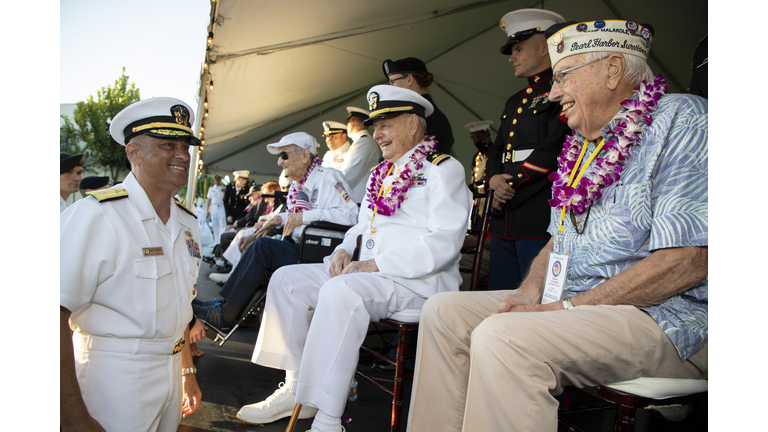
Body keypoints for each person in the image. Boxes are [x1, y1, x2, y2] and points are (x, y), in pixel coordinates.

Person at [406, 19, 708, 432]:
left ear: (613, 69)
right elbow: (559, 238)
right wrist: (531, 292)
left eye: (564, 75)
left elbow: (688, 261)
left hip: (664, 317)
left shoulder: (682, 116)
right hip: (579, 303)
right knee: (443, 312)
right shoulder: (584, 143)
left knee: (505, 337)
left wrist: (566, 309)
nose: (553, 93)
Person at [235, 85, 471, 432]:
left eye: (386, 124)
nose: (376, 133)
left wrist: (375, 264)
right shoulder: (381, 173)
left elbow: (444, 242)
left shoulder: (443, 169)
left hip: (417, 283)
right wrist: (344, 249)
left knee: (339, 292)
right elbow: (360, 226)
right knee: (286, 279)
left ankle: (329, 419)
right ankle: (297, 387)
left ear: (412, 123)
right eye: (375, 126)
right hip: (368, 275)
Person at [60, 97, 203, 432]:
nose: (182, 155)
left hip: (170, 376)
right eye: (168, 144)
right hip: (114, 379)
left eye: (185, 145)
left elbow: (177, 307)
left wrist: (186, 372)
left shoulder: (187, 222)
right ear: (133, 153)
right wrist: (72, 417)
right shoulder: (97, 215)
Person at [193, 132, 359, 332]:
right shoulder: (300, 185)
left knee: (264, 248)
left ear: (305, 155)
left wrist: (304, 217)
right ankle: (224, 304)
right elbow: (293, 214)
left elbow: (351, 215)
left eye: (284, 155)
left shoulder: (329, 177)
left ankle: (227, 312)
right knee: (256, 240)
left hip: (321, 251)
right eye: (279, 156)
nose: (280, 162)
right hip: (302, 245)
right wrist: (275, 220)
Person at [484, 9, 571, 291]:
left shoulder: (564, 89)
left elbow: (555, 147)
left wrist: (510, 184)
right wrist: (494, 179)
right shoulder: (514, 100)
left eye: (518, 48)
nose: (512, 57)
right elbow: (498, 148)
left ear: (545, 47)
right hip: (504, 218)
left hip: (537, 213)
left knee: (536, 300)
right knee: (499, 297)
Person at [382, 57, 455, 154]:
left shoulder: (426, 116)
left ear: (409, 79)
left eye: (393, 81)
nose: (392, 88)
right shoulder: (428, 114)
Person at [341, 106, 381, 203]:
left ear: (352, 120)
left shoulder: (363, 142)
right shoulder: (361, 141)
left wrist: (333, 189)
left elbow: (349, 175)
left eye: (347, 123)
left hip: (358, 201)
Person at [464, 120, 493, 194]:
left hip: (489, 194)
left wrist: (481, 141)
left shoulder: (493, 152)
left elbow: (485, 148)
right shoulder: (477, 155)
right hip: (478, 195)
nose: (473, 139)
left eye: (475, 136)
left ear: (486, 135)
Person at [206, 174, 227, 244]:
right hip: (214, 206)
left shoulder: (224, 188)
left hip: (221, 206)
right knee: (215, 224)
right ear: (214, 180)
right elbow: (209, 199)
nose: (217, 181)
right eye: (216, 180)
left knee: (222, 223)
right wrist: (207, 209)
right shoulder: (211, 189)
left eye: (218, 180)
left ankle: (221, 240)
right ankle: (216, 241)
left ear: (220, 180)